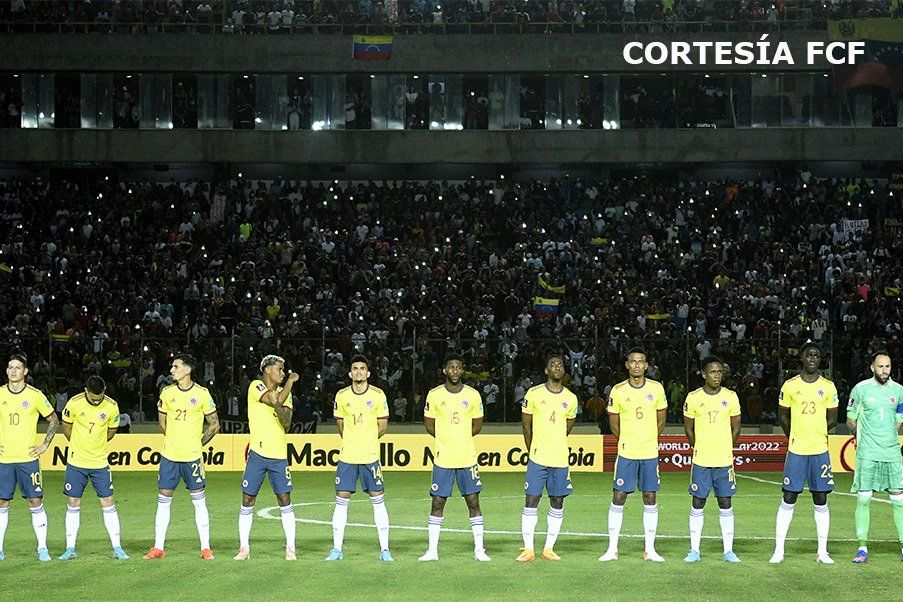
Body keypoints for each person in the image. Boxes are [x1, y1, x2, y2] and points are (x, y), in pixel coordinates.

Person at [144, 353, 220, 560]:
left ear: (187, 370)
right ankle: (158, 547)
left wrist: (198, 443)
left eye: (176, 367)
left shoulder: (202, 394)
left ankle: (205, 548)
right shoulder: (167, 393)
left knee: (198, 501)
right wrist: (174, 441)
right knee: (163, 500)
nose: (171, 370)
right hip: (170, 456)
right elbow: (162, 422)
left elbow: (214, 424)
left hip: (192, 457)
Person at [770, 342, 838, 564]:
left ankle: (822, 551)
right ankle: (779, 550)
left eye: (816, 356)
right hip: (797, 451)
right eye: (809, 355)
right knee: (789, 497)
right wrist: (795, 435)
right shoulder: (789, 386)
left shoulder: (828, 387)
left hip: (820, 451)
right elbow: (782, 417)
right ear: (801, 357)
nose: (812, 359)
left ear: (820, 359)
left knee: (821, 498)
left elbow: (832, 418)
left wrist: (816, 432)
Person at [599, 347, 667, 562]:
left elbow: (661, 421)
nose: (637, 365)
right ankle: (612, 549)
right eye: (633, 362)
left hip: (649, 452)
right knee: (619, 496)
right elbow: (613, 424)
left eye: (641, 362)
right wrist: (629, 440)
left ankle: (650, 550)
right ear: (627, 365)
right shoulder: (618, 391)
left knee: (650, 496)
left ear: (646, 366)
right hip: (627, 453)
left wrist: (646, 439)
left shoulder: (656, 389)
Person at [419, 354, 489, 562]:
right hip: (443, 459)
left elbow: (477, 426)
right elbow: (430, 425)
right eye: (451, 367)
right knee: (437, 502)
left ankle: (479, 550)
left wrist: (461, 438)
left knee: (473, 501)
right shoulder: (434, 395)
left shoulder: (473, 395)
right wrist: (446, 439)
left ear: (462, 370)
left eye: (458, 367)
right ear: (444, 370)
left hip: (467, 457)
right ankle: (432, 550)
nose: (455, 371)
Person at [327, 355, 393, 562]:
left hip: (370, 456)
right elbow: (340, 424)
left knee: (378, 499)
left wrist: (367, 441)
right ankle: (337, 549)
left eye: (362, 368)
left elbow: (382, 426)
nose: (358, 372)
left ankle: (384, 550)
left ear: (368, 373)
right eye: (355, 368)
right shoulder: (342, 395)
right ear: (349, 373)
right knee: (341, 500)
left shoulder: (378, 395)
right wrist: (352, 440)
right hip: (347, 456)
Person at [234, 355, 299, 561]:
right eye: (280, 369)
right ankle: (244, 548)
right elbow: (275, 400)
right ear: (268, 369)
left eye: (284, 370)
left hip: (278, 455)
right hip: (257, 454)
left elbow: (287, 422)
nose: (283, 373)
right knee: (247, 499)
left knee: (284, 499)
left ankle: (290, 548)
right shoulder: (256, 386)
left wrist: (281, 401)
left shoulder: (285, 394)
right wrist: (290, 382)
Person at [58, 375, 128, 560]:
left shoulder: (111, 406)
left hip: (99, 463)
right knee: (73, 502)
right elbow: (66, 425)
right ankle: (70, 548)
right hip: (76, 462)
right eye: (93, 398)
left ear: (104, 391)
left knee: (108, 502)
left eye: (100, 397)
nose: (97, 401)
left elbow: (112, 430)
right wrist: (77, 444)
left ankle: (118, 548)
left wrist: (97, 443)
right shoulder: (74, 403)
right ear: (86, 391)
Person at [516, 354, 578, 562]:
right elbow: (526, 426)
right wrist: (533, 450)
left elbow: (567, 427)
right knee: (531, 499)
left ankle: (549, 548)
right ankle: (528, 548)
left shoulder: (570, 398)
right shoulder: (533, 394)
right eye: (552, 365)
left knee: (557, 500)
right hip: (538, 458)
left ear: (563, 370)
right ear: (546, 371)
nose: (557, 368)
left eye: (560, 365)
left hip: (560, 459)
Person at [682, 356, 742, 563]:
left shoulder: (731, 397)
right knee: (698, 501)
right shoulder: (693, 397)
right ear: (704, 374)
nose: (717, 375)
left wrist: (726, 447)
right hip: (701, 461)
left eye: (719, 372)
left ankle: (728, 551)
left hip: (724, 461)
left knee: (725, 502)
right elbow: (689, 429)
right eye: (713, 372)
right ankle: (694, 551)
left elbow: (736, 427)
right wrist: (699, 447)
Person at [0, 353, 59, 561]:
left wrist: (44, 445)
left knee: (35, 501)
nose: (12, 370)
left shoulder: (35, 396)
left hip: (28, 459)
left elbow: (54, 420)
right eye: (10, 367)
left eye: (17, 367)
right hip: (4, 460)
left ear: (25, 372)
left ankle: (42, 548)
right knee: (2, 503)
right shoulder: (0, 394)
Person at [846, 351, 903, 563]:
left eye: (887, 366)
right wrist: (862, 438)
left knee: (899, 500)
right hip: (867, 453)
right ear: (872, 367)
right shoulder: (860, 389)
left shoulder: (899, 392)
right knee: (864, 499)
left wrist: (887, 437)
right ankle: (862, 549)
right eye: (880, 366)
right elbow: (851, 419)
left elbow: (899, 420)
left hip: (891, 453)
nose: (884, 370)